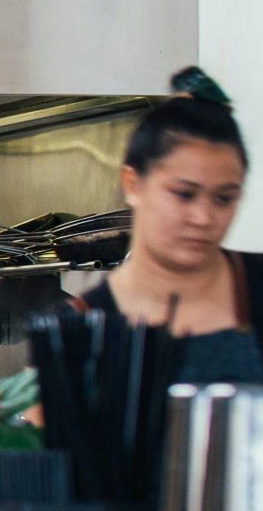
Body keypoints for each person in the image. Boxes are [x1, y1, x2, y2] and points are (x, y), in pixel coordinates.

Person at [85, 67, 262, 381]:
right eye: (184, 194)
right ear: (133, 184)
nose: (204, 217)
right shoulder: (88, 325)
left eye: (223, 199)